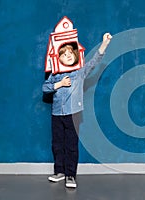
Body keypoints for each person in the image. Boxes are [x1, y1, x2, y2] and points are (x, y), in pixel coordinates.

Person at [42, 32, 112, 188]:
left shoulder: (79, 73)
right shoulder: (55, 75)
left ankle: (70, 175)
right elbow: (45, 88)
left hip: (73, 114)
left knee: (71, 145)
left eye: (70, 53)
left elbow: (94, 62)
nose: (67, 56)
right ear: (57, 58)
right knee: (57, 144)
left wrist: (104, 44)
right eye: (63, 54)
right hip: (57, 114)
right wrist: (59, 84)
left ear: (75, 56)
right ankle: (59, 171)